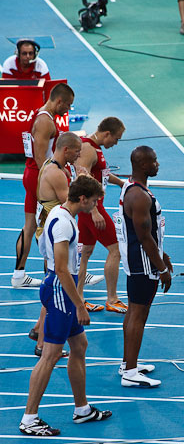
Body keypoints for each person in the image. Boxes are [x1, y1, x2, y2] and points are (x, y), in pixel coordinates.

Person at [19, 175, 112, 436]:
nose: (94, 205)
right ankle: (29, 418)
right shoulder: (62, 224)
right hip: (61, 290)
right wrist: (80, 304)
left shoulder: (62, 214)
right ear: (82, 199)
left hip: (62, 288)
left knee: (79, 346)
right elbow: (60, 269)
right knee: (50, 356)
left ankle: (82, 409)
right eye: (93, 201)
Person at [116, 146, 173, 387]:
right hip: (143, 264)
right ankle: (130, 372)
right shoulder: (140, 196)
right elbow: (145, 237)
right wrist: (161, 268)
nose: (157, 164)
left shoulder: (132, 188)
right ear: (142, 165)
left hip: (137, 261)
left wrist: (164, 255)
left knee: (133, 313)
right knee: (138, 315)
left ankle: (128, 362)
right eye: (154, 161)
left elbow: (149, 233)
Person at [12, 82, 74, 289]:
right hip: (39, 176)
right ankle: (54, 274)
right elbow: (40, 158)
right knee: (50, 225)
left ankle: (19, 275)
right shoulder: (46, 122)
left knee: (30, 226)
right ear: (59, 101)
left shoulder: (42, 114)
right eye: (68, 105)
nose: (68, 110)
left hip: (34, 175)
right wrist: (54, 173)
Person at [30, 132, 82, 358]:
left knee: (52, 284)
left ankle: (37, 330)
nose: (80, 154)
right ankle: (43, 344)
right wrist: (82, 180)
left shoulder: (51, 166)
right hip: (53, 236)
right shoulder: (56, 173)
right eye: (77, 150)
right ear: (66, 150)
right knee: (56, 284)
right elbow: (70, 201)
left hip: (47, 230)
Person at [75, 117, 127, 314]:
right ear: (107, 134)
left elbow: (102, 174)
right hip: (92, 209)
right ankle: (112, 298)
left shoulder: (94, 149)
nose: (116, 143)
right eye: (116, 138)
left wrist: (123, 184)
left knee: (85, 254)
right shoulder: (88, 149)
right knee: (116, 250)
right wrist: (95, 210)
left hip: (89, 210)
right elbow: (82, 178)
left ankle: (79, 299)